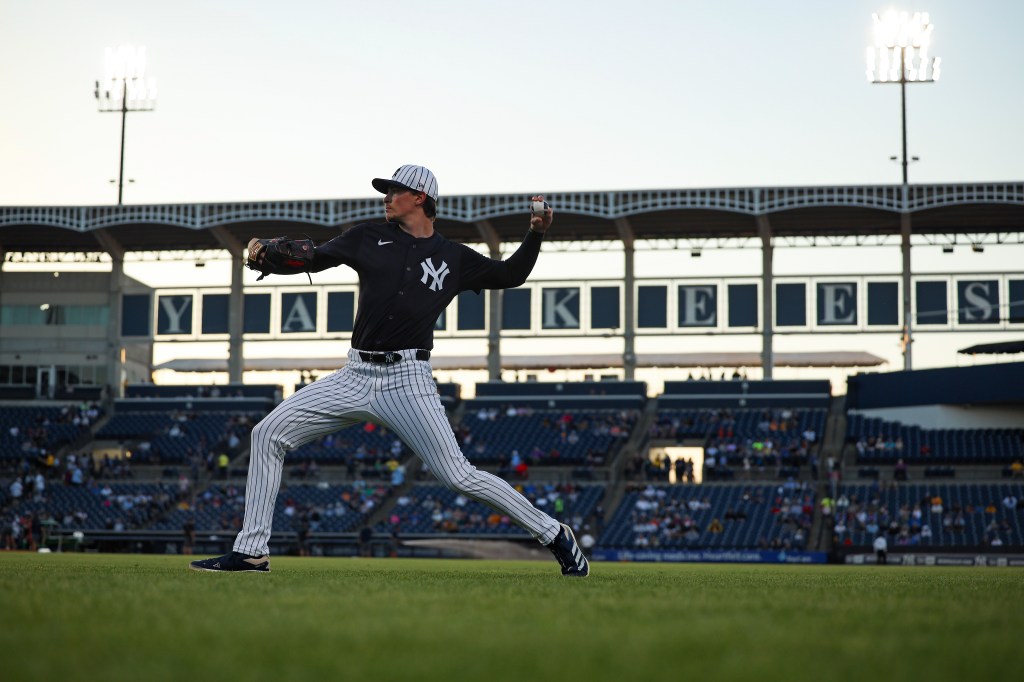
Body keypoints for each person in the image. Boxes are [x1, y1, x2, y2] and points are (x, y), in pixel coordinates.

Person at [190, 165, 588, 577]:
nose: (386, 196)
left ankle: (554, 533)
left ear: (420, 198)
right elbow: (316, 256)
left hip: (407, 380)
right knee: (267, 433)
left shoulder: (453, 256)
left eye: (395, 190)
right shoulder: (367, 236)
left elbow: (510, 274)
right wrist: (275, 258)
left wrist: (536, 232)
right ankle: (252, 551)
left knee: (458, 476)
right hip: (354, 375)